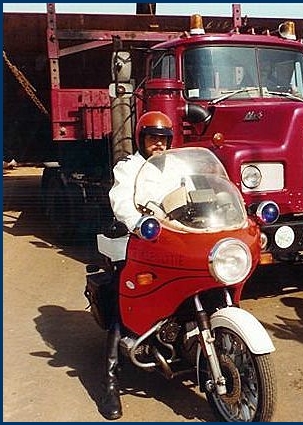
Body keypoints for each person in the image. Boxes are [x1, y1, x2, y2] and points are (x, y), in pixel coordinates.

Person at [99, 110, 173, 420]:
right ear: (142, 139)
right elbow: (121, 202)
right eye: (153, 138)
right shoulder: (128, 168)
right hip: (141, 240)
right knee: (123, 301)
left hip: (176, 239)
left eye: (163, 139)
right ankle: (111, 381)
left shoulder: (176, 166)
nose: (159, 144)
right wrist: (138, 222)